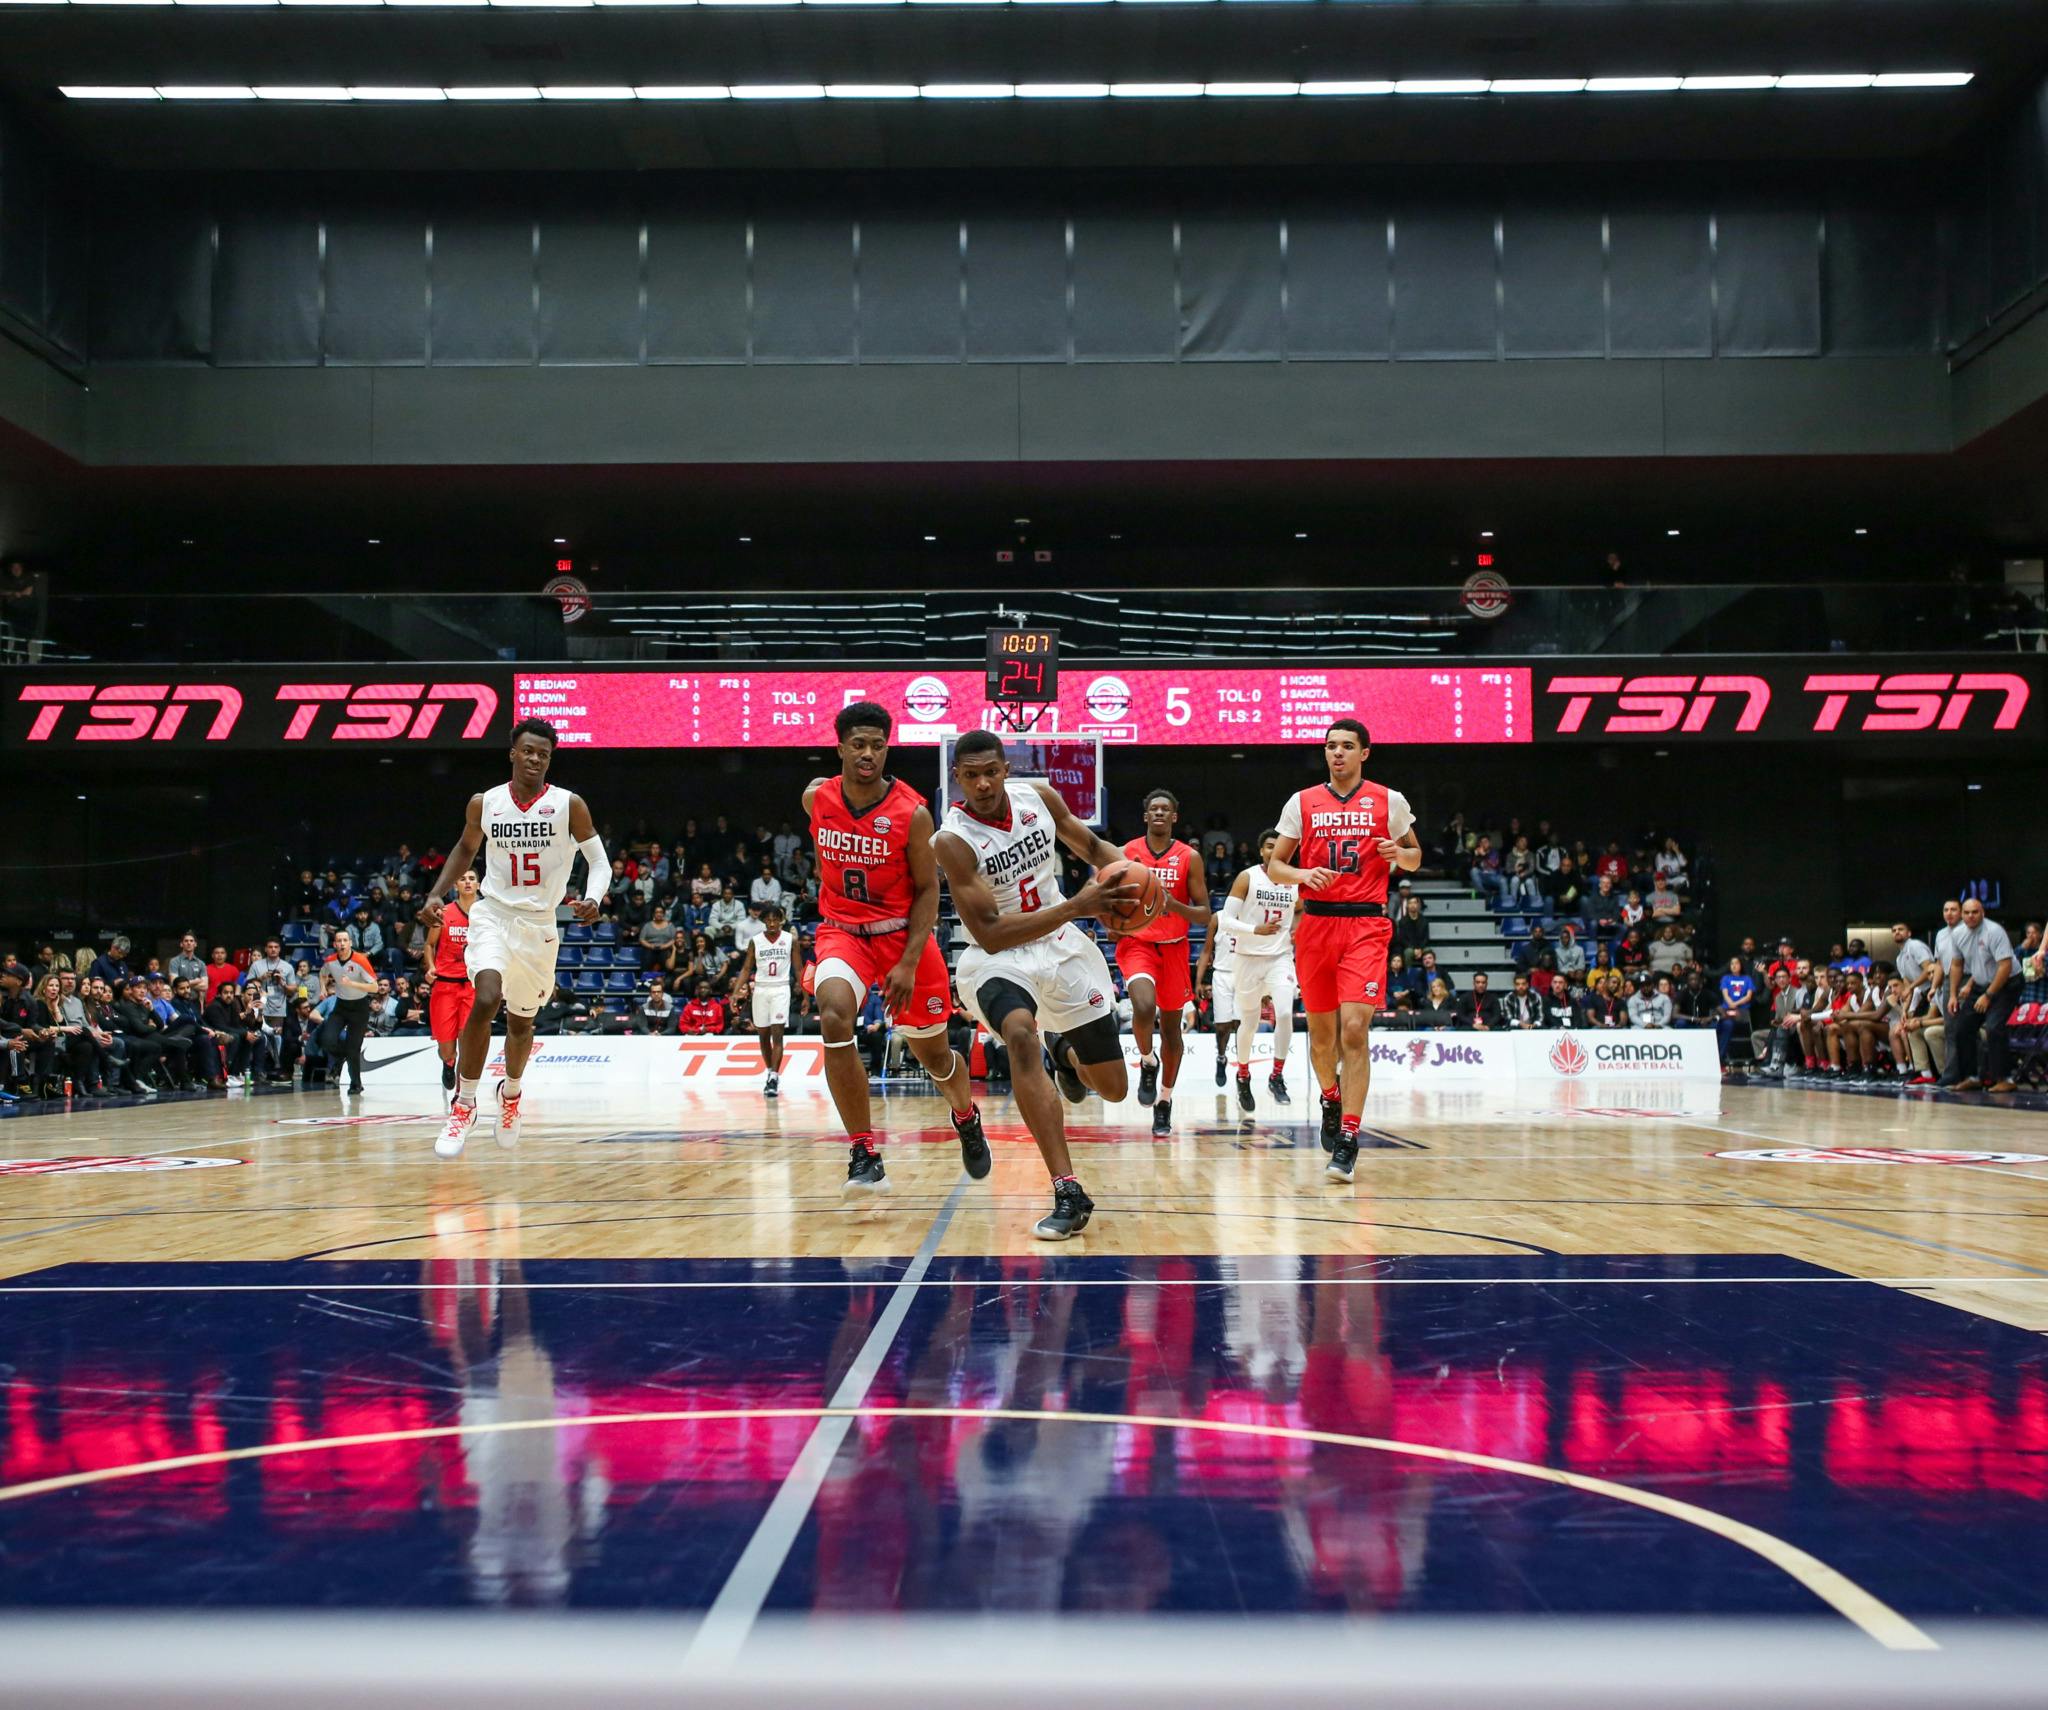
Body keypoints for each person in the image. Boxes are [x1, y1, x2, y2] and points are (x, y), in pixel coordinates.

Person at [933, 729, 1139, 1239]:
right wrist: (1078, 906)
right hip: (998, 956)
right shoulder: (952, 841)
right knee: (1020, 1035)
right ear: (957, 778)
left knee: (1113, 1089)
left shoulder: (1040, 797)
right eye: (971, 775)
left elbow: (1092, 846)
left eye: (991, 772)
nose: (982, 784)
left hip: (1062, 947)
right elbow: (990, 933)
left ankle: (1066, 1055)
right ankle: (1067, 1188)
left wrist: (1127, 883)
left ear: (1006, 768)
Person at [806, 702, 989, 1193]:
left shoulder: (913, 813)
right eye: (859, 744)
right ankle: (864, 1150)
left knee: (932, 1056)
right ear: (841, 746)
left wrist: (908, 962)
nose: (869, 753)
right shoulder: (816, 798)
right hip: (842, 932)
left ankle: (966, 1115)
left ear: (888, 748)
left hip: (901, 939)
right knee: (834, 1015)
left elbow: (930, 891)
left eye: (878, 745)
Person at [422, 716, 610, 1160]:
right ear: (512, 753)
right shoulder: (484, 803)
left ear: (550, 759)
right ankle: (464, 1104)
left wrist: (594, 897)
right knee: (486, 995)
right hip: (493, 914)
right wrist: (435, 892)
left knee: (522, 1022)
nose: (534, 759)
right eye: (527, 750)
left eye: (543, 754)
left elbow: (599, 862)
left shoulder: (569, 804)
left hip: (540, 925)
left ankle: (511, 1095)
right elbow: (466, 849)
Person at [1264, 718, 1420, 1182]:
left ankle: (1349, 1137)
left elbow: (1415, 856)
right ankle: (1329, 1097)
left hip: (1366, 924)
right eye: (1331, 746)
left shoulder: (1389, 800)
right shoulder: (1302, 801)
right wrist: (1300, 876)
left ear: (1364, 753)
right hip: (1316, 924)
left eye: (1347, 746)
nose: (1337, 753)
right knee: (1323, 1039)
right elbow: (1274, 864)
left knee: (1354, 1030)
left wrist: (1400, 854)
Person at [1114, 789, 1212, 1137]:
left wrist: (1174, 905)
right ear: (1145, 816)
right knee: (1143, 1006)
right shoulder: (1127, 853)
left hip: (1174, 947)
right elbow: (1105, 897)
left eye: (1165, 809)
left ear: (1174, 816)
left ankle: (1165, 1101)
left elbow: (1204, 914)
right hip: (1138, 944)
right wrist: (1113, 925)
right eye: (1152, 808)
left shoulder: (1190, 857)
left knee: (1171, 1031)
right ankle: (1147, 1059)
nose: (1158, 813)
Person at [1209, 828, 1300, 1114]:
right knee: (1247, 1023)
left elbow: (1301, 911)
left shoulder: (1295, 880)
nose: (1276, 850)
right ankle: (1243, 1075)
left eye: (1281, 846)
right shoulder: (1248, 877)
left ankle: (1276, 1076)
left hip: (1280, 957)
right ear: (1262, 851)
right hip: (1247, 958)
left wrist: (1299, 929)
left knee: (1284, 1012)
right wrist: (1255, 930)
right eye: (1270, 846)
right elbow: (1225, 921)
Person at [1941, 897, 2017, 1092]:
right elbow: (1957, 964)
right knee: (1962, 1028)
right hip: (1980, 984)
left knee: (1994, 1027)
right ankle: (1971, 1077)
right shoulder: (1958, 934)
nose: (1970, 916)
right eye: (1966, 913)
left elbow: (2005, 966)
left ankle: (2005, 1078)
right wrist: (1952, 995)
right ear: (1962, 915)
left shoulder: (1994, 931)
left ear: (1983, 912)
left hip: (2007, 983)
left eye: (1975, 912)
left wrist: (1989, 995)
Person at [423, 867, 480, 1097]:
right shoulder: (444, 912)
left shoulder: (486, 913)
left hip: (472, 984)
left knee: (468, 1043)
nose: (467, 882)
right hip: (445, 985)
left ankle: (461, 1095)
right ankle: (448, 1063)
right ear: (455, 885)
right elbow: (429, 945)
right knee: (447, 1049)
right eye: (462, 879)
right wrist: (431, 967)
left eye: (472, 879)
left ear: (478, 884)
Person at [735, 902, 800, 1097]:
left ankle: (774, 1076)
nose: (772, 923)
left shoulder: (791, 940)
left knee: (777, 1032)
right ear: (764, 921)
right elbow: (747, 968)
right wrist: (736, 991)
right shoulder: (755, 941)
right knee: (762, 1034)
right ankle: (769, 1071)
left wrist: (805, 994)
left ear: (781, 921)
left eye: (775, 920)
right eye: (768, 920)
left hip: (780, 988)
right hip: (761, 989)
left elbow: (798, 969)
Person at [319, 927, 377, 1094]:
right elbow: (323, 974)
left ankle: (356, 1084)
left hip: (359, 1008)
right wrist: (323, 988)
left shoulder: (360, 961)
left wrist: (352, 984)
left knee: (354, 1049)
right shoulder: (330, 960)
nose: (342, 943)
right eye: (339, 941)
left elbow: (374, 986)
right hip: (341, 1006)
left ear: (350, 943)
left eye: (345, 940)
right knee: (327, 1039)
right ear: (335, 944)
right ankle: (343, 1056)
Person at [1194, 902, 1239, 1092]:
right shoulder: (1217, 918)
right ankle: (1221, 1057)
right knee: (1222, 1027)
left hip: (1245, 974)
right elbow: (1206, 951)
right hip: (1222, 974)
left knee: (1240, 1025)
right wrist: (1198, 981)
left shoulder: (1253, 914)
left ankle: (1243, 1071)